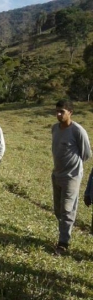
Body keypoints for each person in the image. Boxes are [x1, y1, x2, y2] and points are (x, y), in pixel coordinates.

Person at [51, 100, 91, 255]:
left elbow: (86, 154)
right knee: (58, 210)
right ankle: (64, 233)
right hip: (56, 174)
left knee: (67, 210)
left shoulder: (77, 131)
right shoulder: (55, 128)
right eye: (57, 111)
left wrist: (74, 167)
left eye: (62, 111)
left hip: (71, 177)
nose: (59, 114)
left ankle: (63, 243)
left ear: (70, 112)